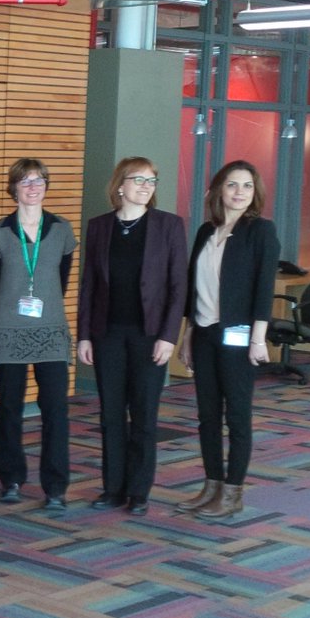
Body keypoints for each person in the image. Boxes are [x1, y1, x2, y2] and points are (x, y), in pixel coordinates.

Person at [77, 157, 187, 517]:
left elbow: (177, 286)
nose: (145, 186)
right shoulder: (99, 227)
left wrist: (169, 336)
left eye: (151, 180)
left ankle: (139, 490)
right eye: (137, 179)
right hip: (107, 334)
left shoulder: (168, 226)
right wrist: (85, 336)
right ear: (119, 185)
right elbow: (89, 285)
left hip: (149, 335)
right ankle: (113, 487)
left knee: (143, 414)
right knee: (110, 414)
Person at [177, 160, 280, 520]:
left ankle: (233, 492)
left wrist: (258, 338)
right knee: (207, 415)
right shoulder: (207, 231)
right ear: (219, 189)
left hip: (239, 336)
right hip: (204, 332)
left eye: (247, 186)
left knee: (237, 415)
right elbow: (194, 288)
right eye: (233, 185)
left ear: (255, 193)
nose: (239, 192)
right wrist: (188, 333)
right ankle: (211, 485)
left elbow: (264, 288)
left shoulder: (260, 231)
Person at [0, 158, 77, 514]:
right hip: (9, 330)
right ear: (14, 188)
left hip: (51, 331)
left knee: (55, 409)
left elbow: (63, 278)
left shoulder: (61, 229)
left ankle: (55, 486)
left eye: (39, 180)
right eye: (25, 181)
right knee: (9, 408)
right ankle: (11, 479)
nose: (33, 186)